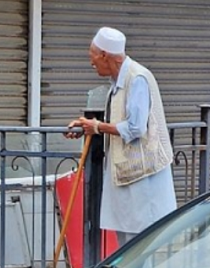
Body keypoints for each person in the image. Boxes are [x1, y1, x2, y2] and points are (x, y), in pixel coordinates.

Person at [66, 27, 177, 247]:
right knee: (126, 244)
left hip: (143, 177)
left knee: (141, 245)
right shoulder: (118, 82)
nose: (92, 63)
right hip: (128, 175)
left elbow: (136, 127)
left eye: (93, 57)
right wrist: (86, 125)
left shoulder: (136, 78)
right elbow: (116, 118)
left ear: (105, 56)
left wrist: (97, 127)